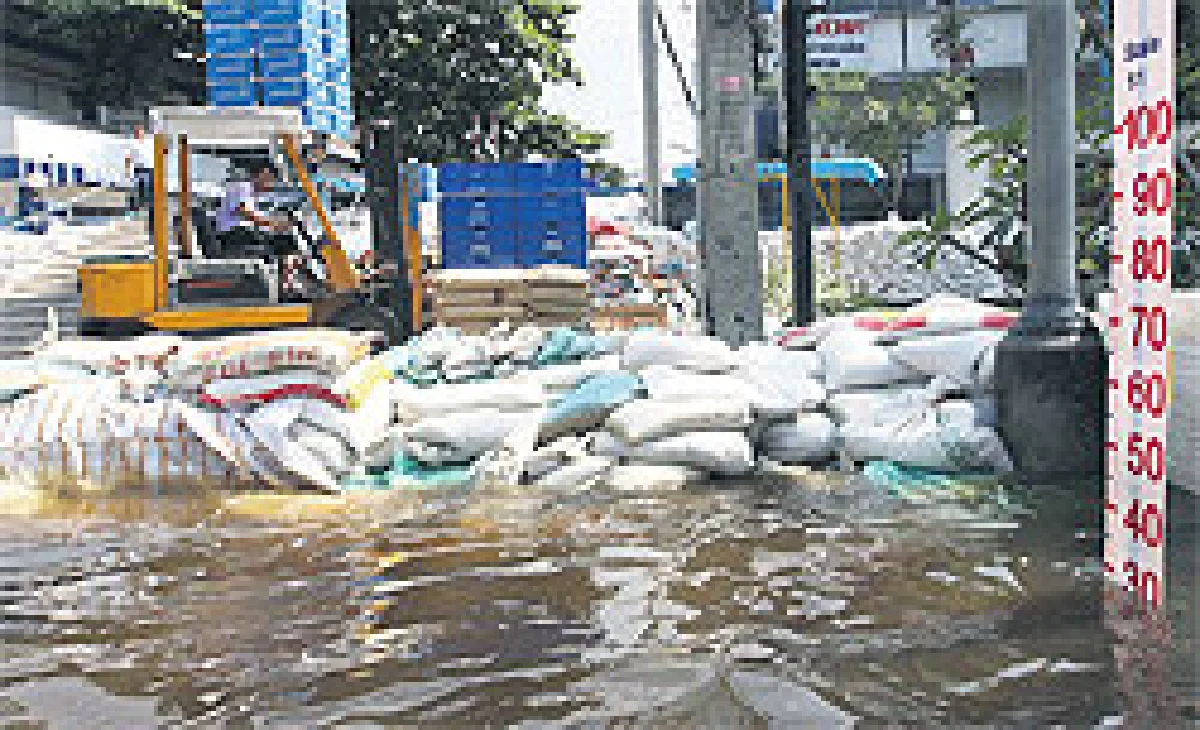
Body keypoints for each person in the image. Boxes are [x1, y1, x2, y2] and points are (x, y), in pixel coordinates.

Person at [215, 161, 299, 259]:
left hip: (244, 233)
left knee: (286, 241)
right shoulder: (242, 187)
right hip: (231, 233)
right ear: (257, 175)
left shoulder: (256, 198)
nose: (268, 183)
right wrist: (273, 224)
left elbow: (259, 220)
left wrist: (279, 227)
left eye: (272, 180)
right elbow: (245, 213)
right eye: (266, 178)